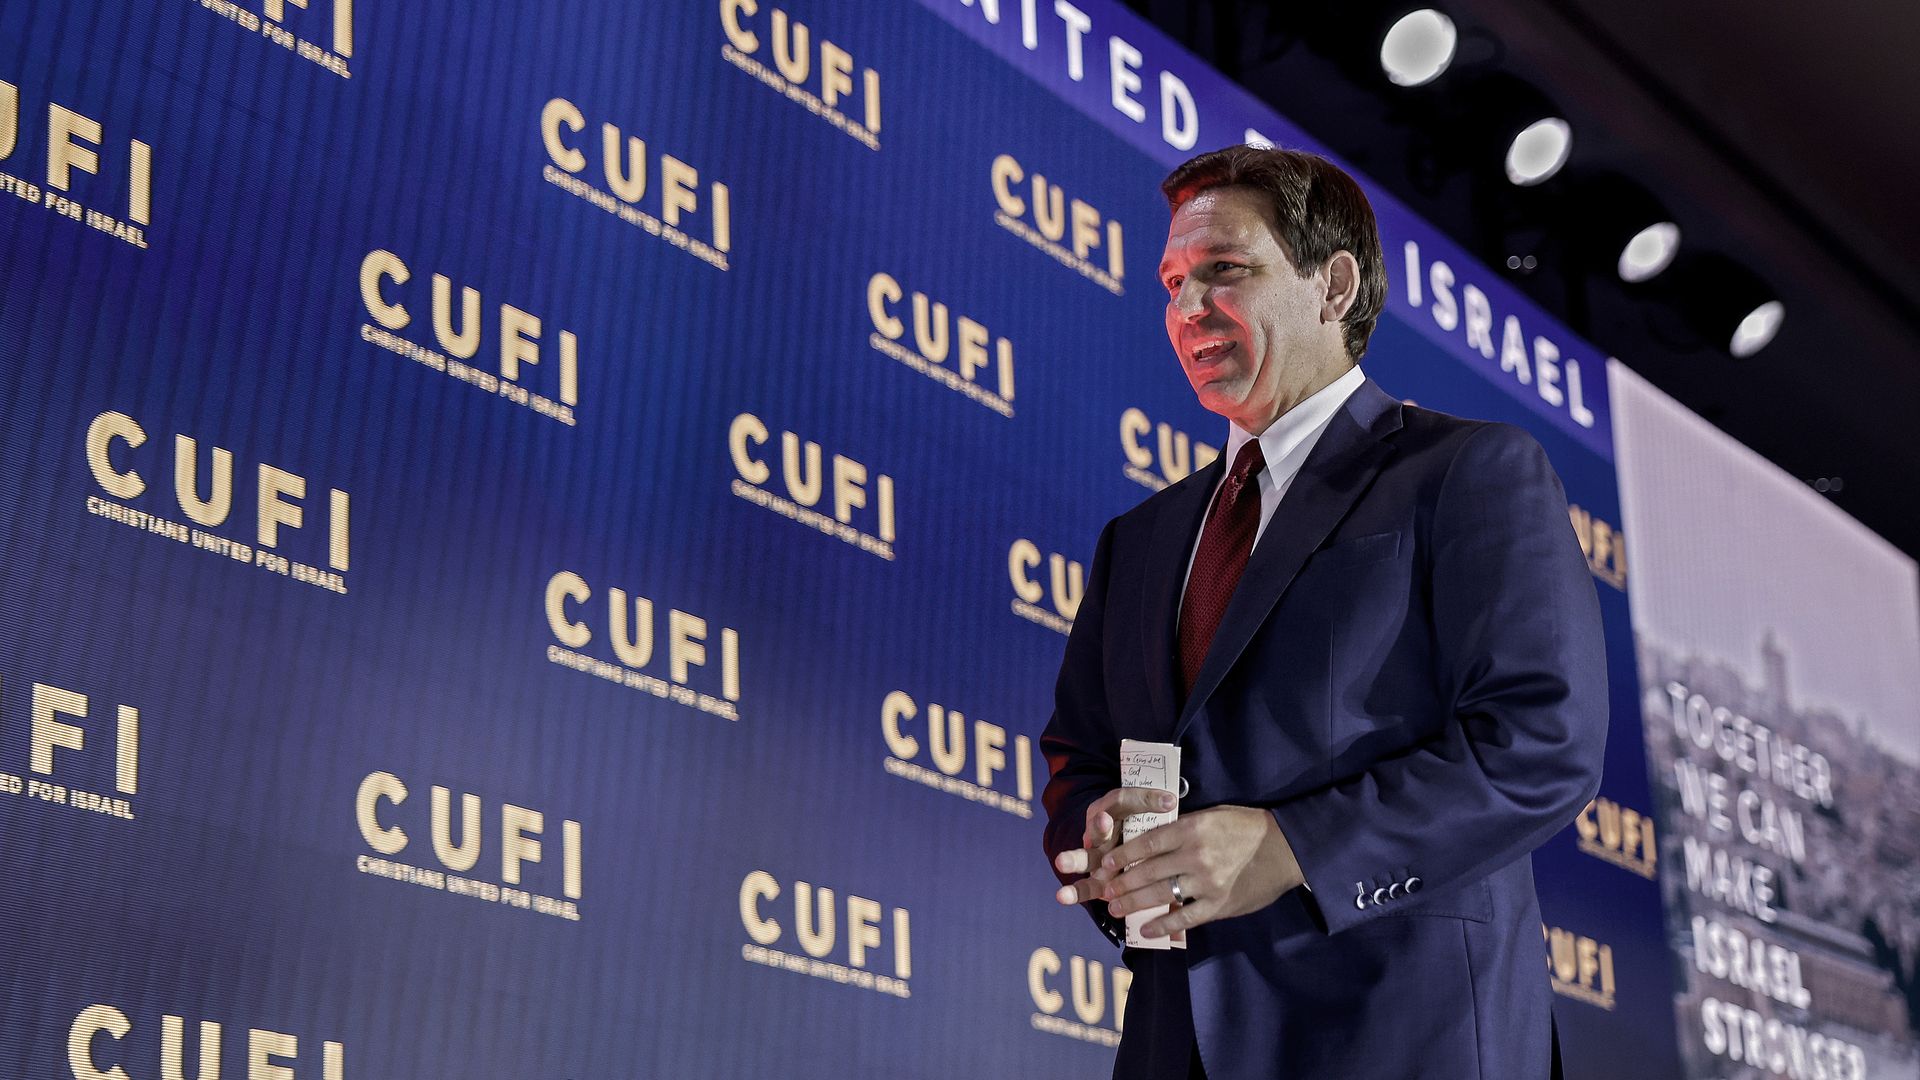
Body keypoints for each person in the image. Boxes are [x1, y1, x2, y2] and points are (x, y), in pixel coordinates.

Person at [1040, 145, 1607, 1079]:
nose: (1187, 308)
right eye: (1173, 281)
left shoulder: (1464, 471)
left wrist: (1288, 849)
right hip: (1175, 1042)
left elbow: (1540, 741)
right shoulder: (1138, 540)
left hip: (1405, 1035)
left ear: (1334, 286)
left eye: (1225, 270)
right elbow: (1082, 758)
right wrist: (1100, 841)